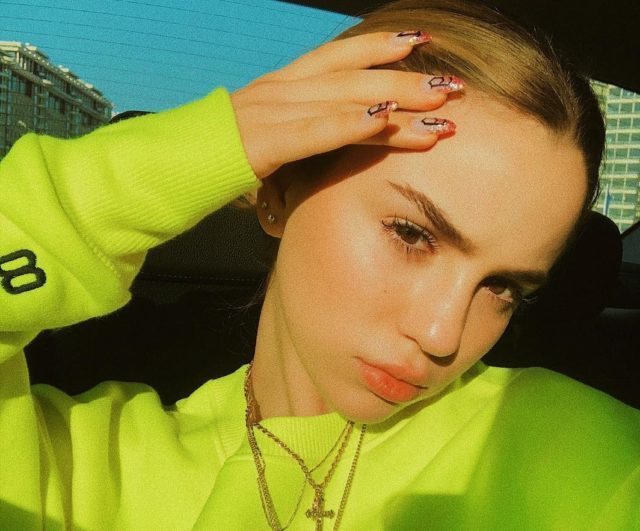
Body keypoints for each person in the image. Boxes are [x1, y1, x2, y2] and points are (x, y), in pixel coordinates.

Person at [1, 0, 638, 529]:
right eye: (411, 234)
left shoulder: (584, 454)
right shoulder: (78, 465)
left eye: (503, 287)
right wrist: (211, 142)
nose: (442, 336)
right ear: (280, 192)